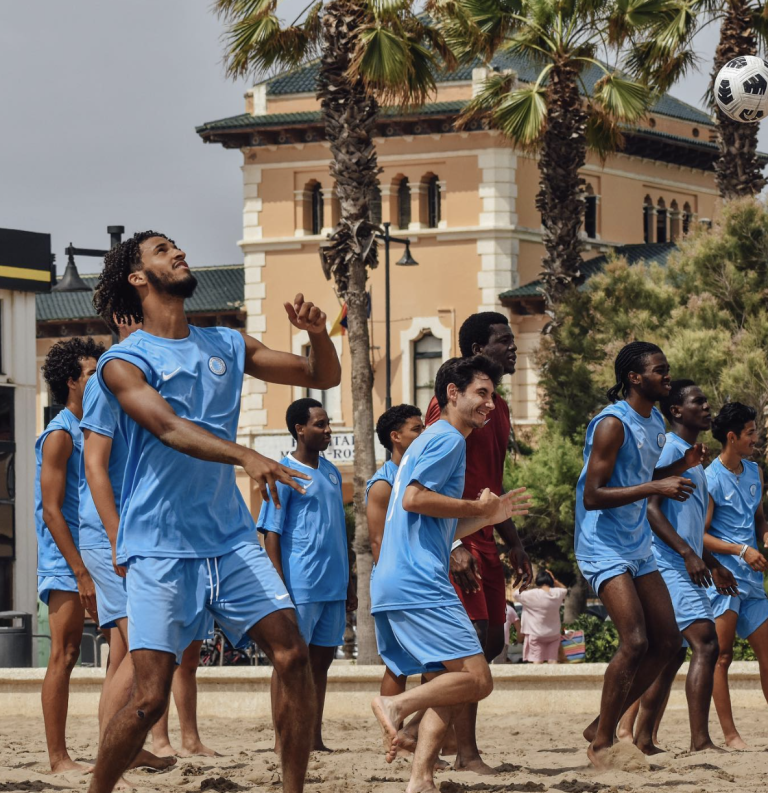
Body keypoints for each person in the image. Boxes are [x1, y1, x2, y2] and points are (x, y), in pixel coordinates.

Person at [86, 230, 341, 793]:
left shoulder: (227, 344)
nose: (178, 254)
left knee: (292, 653)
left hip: (230, 539)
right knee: (150, 697)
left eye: (178, 247)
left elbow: (320, 376)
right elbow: (169, 428)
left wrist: (319, 336)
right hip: (158, 544)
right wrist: (245, 453)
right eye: (161, 250)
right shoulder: (122, 362)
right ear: (137, 277)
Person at [370, 355, 531, 793]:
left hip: (399, 579)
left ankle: (421, 777)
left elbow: (439, 523)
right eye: (482, 394)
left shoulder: (432, 441)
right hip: (419, 580)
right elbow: (415, 500)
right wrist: (478, 507)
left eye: (493, 397)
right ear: (452, 394)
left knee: (449, 680)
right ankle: (397, 705)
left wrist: (487, 516)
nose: (490, 405)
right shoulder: (447, 440)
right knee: (478, 679)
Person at [81, 320, 213, 764]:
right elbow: (94, 466)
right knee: (140, 648)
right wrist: (117, 537)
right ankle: (114, 751)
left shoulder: (148, 373)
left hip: (146, 533)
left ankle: (146, 744)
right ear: (126, 319)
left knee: (146, 649)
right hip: (116, 533)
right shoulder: (113, 374)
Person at [575, 341, 705, 768]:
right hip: (602, 546)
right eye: (659, 370)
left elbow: (641, 476)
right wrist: (657, 488)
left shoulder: (654, 426)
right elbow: (593, 496)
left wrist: (678, 468)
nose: (667, 376)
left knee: (668, 642)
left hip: (637, 544)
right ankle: (601, 743)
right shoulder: (612, 424)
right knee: (634, 641)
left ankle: (601, 723)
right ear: (635, 377)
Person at [424, 312, 532, 773]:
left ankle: (425, 725)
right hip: (457, 539)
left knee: (489, 639)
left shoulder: (497, 407)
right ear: (475, 351)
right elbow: (425, 483)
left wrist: (514, 541)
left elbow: (493, 478)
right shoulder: (448, 407)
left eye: (511, 341)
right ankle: (461, 751)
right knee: (466, 642)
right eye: (502, 341)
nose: (512, 348)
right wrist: (452, 546)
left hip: (486, 535)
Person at [619, 381, 737, 754]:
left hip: (683, 562)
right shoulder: (671, 449)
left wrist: (713, 563)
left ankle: (642, 737)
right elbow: (651, 509)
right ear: (676, 411)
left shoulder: (693, 458)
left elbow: (690, 524)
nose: (706, 406)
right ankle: (700, 741)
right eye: (697, 401)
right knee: (705, 642)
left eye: (705, 399)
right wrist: (687, 554)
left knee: (673, 652)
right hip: (665, 562)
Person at [258, 398, 355, 752]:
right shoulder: (281, 472)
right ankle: (284, 740)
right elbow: (271, 533)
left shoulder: (331, 472)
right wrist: (278, 584)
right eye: (320, 424)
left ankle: (312, 738)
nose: (328, 430)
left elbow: (338, 531)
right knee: (289, 662)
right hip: (300, 585)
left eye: (328, 423)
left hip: (334, 586)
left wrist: (350, 583)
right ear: (300, 429)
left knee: (321, 662)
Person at [36, 337, 104, 773]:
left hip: (99, 551)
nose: (102, 379)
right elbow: (52, 511)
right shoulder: (60, 433)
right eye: (93, 374)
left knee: (126, 648)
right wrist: (80, 572)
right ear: (72, 382)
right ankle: (59, 758)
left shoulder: (95, 428)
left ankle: (123, 745)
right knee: (64, 653)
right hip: (67, 561)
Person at [703, 402, 768, 749]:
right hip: (724, 578)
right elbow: (701, 535)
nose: (755, 438)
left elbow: (759, 519)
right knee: (722, 656)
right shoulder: (709, 478)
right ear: (732, 437)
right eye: (751, 433)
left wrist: (765, 535)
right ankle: (730, 735)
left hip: (754, 582)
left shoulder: (756, 472)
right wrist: (742, 551)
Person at [367, 404, 425, 698]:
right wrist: (403, 582)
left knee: (434, 662)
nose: (424, 433)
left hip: (421, 578)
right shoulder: (383, 484)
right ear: (395, 437)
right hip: (398, 583)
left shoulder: (420, 477)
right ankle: (394, 736)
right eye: (416, 429)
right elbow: (377, 542)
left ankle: (417, 733)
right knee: (398, 665)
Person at [515, 570, 567, 664]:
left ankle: (538, 678)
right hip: (553, 634)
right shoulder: (557, 593)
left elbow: (516, 594)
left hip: (536, 633)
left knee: (537, 661)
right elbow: (564, 589)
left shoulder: (531, 594)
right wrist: (555, 581)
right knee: (553, 660)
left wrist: (526, 582)